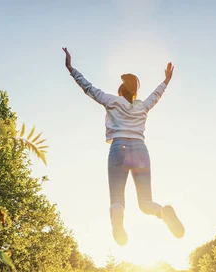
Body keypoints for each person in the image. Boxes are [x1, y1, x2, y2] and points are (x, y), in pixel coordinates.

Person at [62, 47, 184, 246]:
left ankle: (118, 222)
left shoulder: (112, 101)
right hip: (141, 150)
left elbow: (89, 88)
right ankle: (162, 212)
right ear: (135, 93)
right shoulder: (143, 105)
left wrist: (70, 68)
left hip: (119, 149)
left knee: (117, 200)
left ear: (120, 91)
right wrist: (166, 81)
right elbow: (156, 95)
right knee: (146, 203)